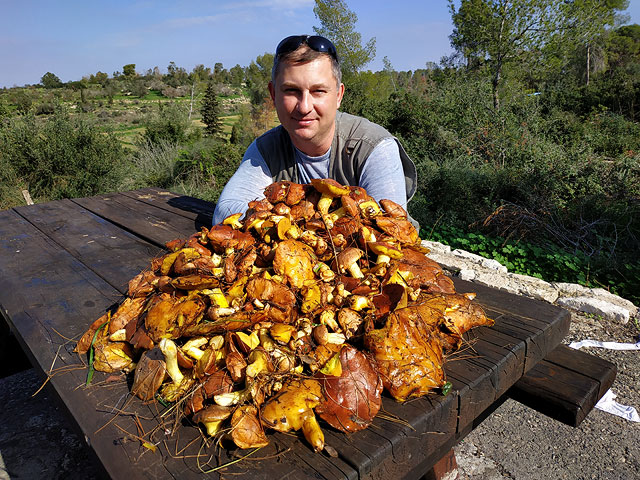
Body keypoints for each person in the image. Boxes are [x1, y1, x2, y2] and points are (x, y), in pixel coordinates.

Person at [212, 34, 417, 225]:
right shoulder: (267, 149)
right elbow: (226, 210)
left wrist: (281, 219)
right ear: (273, 94)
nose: (304, 107)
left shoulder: (373, 147)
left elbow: (391, 227)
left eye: (318, 91)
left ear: (338, 95)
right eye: (291, 91)